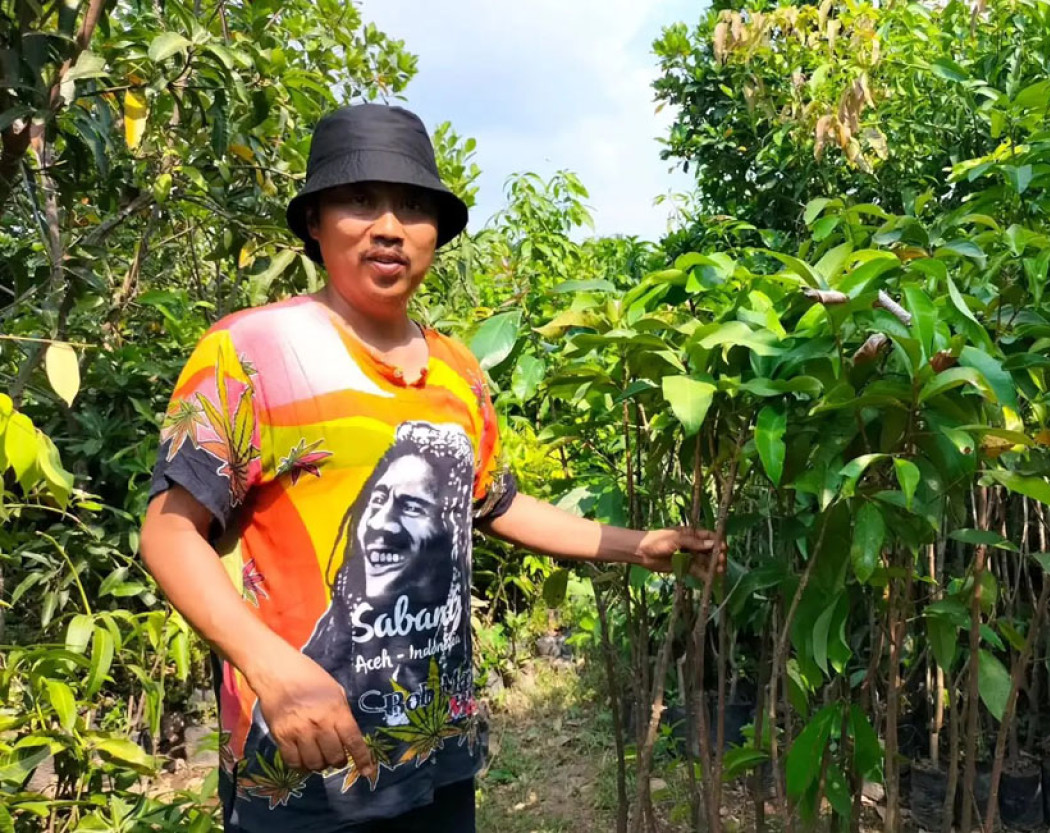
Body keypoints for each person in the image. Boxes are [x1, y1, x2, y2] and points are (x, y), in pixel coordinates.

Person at [139, 103, 721, 833]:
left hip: (434, 746)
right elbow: (168, 534)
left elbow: (491, 502)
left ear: (436, 235)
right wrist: (270, 666)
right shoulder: (250, 353)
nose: (389, 226)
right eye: (360, 199)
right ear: (315, 221)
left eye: (414, 207)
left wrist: (639, 545)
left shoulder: (457, 369)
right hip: (304, 752)